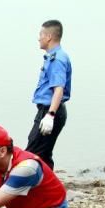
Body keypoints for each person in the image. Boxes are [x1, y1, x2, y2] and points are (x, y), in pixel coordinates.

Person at [26, 19, 72, 169]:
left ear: (49, 37)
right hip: (49, 110)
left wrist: (50, 115)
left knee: (31, 155)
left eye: (41, 34)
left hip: (51, 111)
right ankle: (50, 190)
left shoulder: (57, 59)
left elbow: (59, 88)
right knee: (44, 155)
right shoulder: (55, 56)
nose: (38, 38)